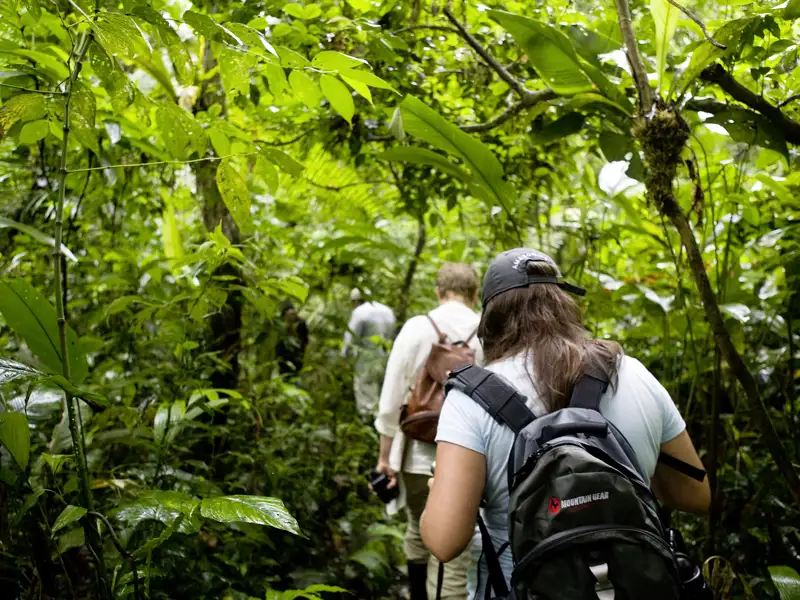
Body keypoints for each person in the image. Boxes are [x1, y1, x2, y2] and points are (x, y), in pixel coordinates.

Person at [421, 249, 710, 600]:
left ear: (490, 319)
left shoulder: (470, 400)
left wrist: (442, 489)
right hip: (635, 585)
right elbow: (695, 494)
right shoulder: (632, 373)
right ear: (564, 303)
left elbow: (444, 541)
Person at [374, 263, 483, 600]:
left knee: (417, 528)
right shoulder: (487, 330)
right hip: (467, 458)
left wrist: (384, 458)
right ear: (475, 294)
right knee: (454, 550)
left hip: (415, 455)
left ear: (438, 291)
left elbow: (391, 398)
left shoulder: (417, 328)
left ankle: (416, 594)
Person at [342, 288, 396, 418]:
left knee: (365, 392)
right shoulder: (387, 311)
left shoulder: (359, 312)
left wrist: (344, 357)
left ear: (355, 301)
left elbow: (350, 338)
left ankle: (369, 423)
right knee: (383, 392)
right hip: (386, 359)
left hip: (366, 360)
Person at [275, 301, 308, 377]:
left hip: (297, 358)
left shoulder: (300, 324)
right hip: (283, 360)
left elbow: (305, 341)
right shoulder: (280, 326)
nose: (291, 314)